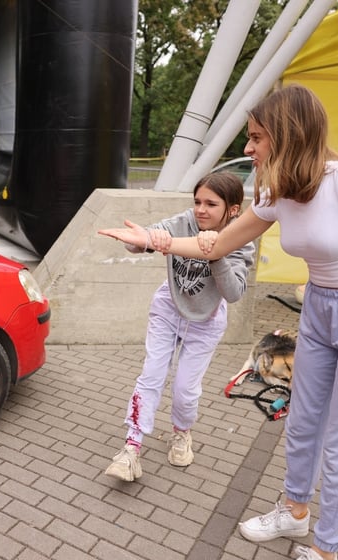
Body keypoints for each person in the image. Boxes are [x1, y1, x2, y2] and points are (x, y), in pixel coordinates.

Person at [98, 84, 338, 560]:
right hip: (321, 309)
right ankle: (294, 511)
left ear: (289, 133)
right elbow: (216, 245)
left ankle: (327, 550)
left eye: (257, 137)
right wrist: (154, 240)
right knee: (303, 423)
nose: (247, 148)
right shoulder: (276, 192)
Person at [104, 172, 255, 482]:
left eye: (211, 204)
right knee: (151, 375)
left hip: (207, 321)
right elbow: (149, 238)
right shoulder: (186, 220)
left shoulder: (240, 237)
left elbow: (234, 293)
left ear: (233, 209)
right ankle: (131, 448)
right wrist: (142, 241)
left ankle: (182, 432)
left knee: (185, 390)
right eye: (197, 201)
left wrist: (215, 254)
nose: (201, 210)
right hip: (168, 310)